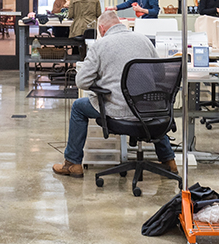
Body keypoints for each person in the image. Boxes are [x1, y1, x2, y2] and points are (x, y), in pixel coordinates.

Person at [52, 11, 177, 177]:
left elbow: (81, 82)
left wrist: (100, 82)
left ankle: (72, 164)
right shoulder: (143, 40)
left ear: (102, 29)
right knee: (150, 108)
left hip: (117, 110)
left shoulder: (100, 45)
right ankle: (169, 160)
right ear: (119, 23)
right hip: (149, 109)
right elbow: (160, 75)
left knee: (78, 107)